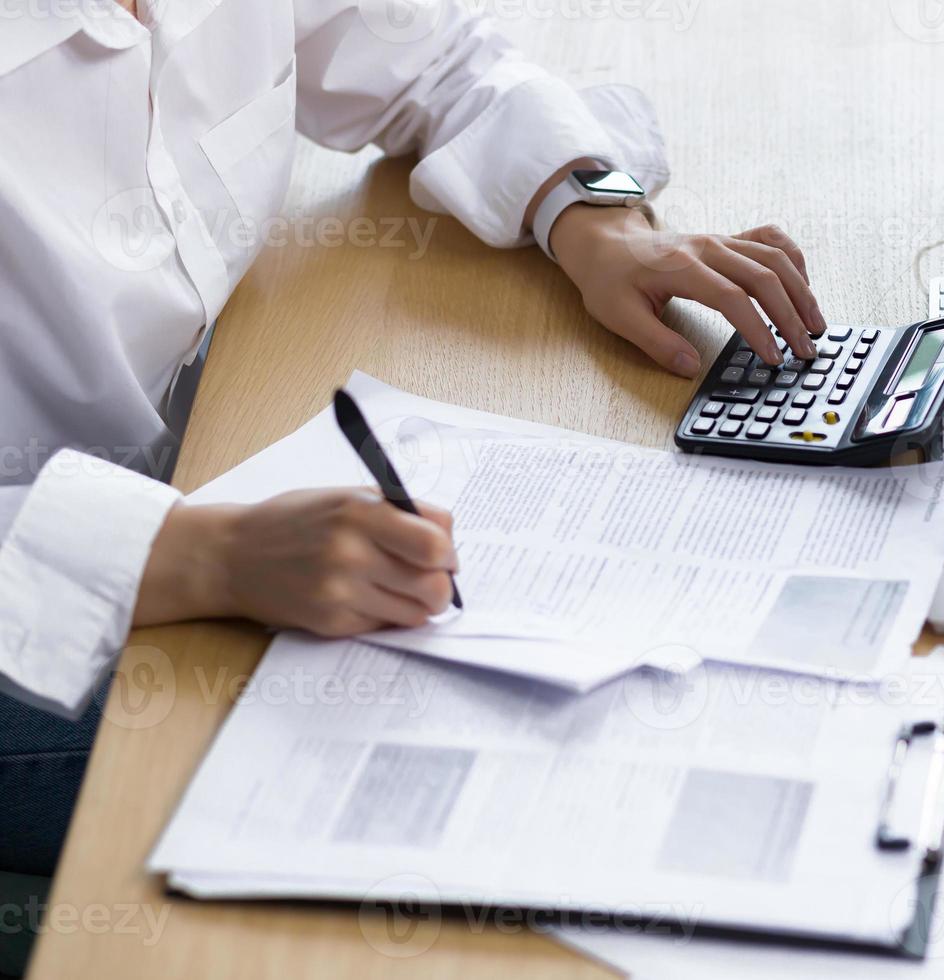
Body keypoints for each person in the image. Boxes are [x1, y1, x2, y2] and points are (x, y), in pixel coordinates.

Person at [0, 0, 826, 898]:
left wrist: (597, 213)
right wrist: (210, 557)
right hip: (42, 603)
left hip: (198, 448)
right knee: (447, 768)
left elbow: (431, 57)